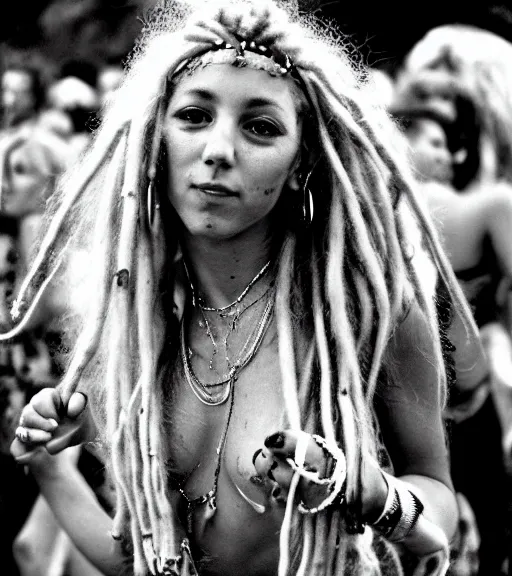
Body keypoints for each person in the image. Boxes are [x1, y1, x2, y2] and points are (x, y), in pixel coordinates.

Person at [5, 1, 483, 575]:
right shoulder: (142, 319)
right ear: (156, 140)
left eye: (260, 127)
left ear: (301, 161)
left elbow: (439, 499)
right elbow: (150, 561)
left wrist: (377, 496)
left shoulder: (364, 311)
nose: (218, 151)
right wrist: (50, 469)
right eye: (193, 116)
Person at [394, 27, 512, 575]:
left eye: (447, 140)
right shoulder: (486, 206)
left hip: (429, 417)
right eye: (430, 139)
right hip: (452, 411)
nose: (442, 153)